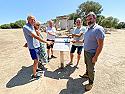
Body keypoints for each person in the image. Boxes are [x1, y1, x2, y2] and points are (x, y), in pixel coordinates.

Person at [79, 12, 105, 91]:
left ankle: (91, 82)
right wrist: (78, 42)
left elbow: (100, 45)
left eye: (90, 19)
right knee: (87, 64)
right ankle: (87, 74)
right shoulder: (88, 28)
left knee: (91, 68)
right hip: (86, 51)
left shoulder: (98, 29)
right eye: (87, 19)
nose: (88, 21)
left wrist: (96, 56)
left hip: (92, 53)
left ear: (94, 18)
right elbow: (85, 40)